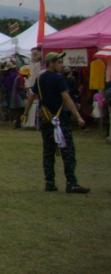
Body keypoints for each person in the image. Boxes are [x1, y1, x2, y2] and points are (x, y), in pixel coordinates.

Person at [23, 52, 90, 193]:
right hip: (59, 120)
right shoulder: (58, 79)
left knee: (48, 151)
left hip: (45, 120)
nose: (61, 65)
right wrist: (78, 117)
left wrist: (25, 113)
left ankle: (49, 182)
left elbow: (31, 97)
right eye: (59, 62)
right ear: (51, 63)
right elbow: (66, 98)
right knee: (68, 151)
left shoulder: (40, 79)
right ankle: (71, 182)